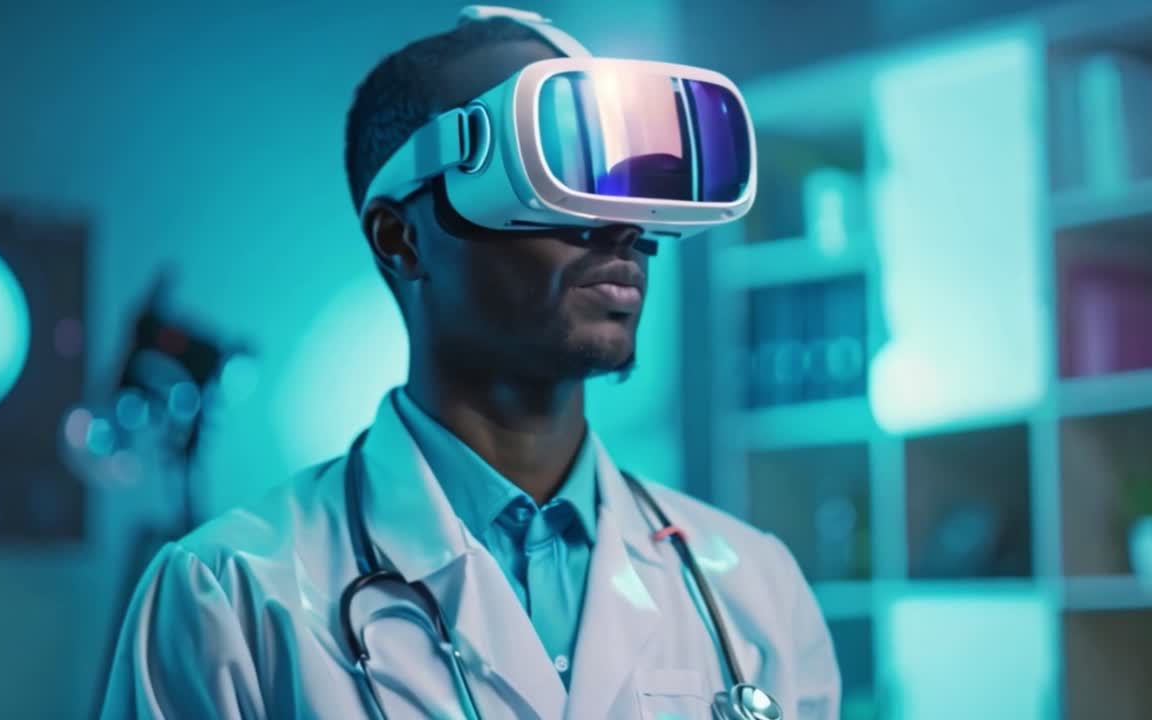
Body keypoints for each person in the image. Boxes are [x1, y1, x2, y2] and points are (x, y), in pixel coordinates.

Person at [100, 7, 839, 719]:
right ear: (401, 238)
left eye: (627, 187)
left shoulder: (754, 588)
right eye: (560, 170)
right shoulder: (227, 597)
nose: (622, 227)